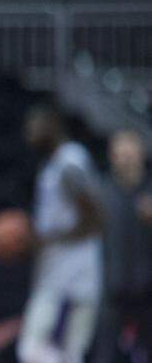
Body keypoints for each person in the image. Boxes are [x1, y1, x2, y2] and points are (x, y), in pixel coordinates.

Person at [17, 105, 104, 363]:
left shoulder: (69, 164)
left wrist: (46, 240)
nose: (28, 132)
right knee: (65, 353)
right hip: (59, 274)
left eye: (34, 125)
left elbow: (97, 219)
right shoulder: (56, 164)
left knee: (36, 350)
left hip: (71, 278)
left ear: (53, 125)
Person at [94, 130, 152, 363]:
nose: (125, 159)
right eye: (120, 154)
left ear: (141, 153)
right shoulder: (101, 192)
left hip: (148, 290)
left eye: (130, 153)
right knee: (105, 355)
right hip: (113, 290)